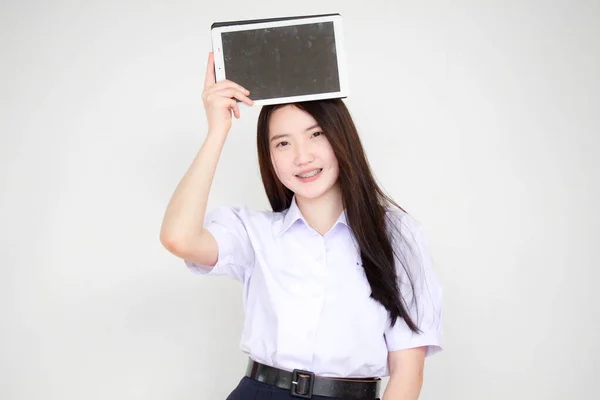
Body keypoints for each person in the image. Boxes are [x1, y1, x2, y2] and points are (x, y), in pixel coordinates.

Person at [160, 52, 443, 400]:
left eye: (316, 134)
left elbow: (408, 371)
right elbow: (179, 237)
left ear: (342, 139)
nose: (301, 156)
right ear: (269, 156)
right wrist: (217, 130)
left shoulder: (397, 235)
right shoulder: (254, 234)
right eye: (282, 143)